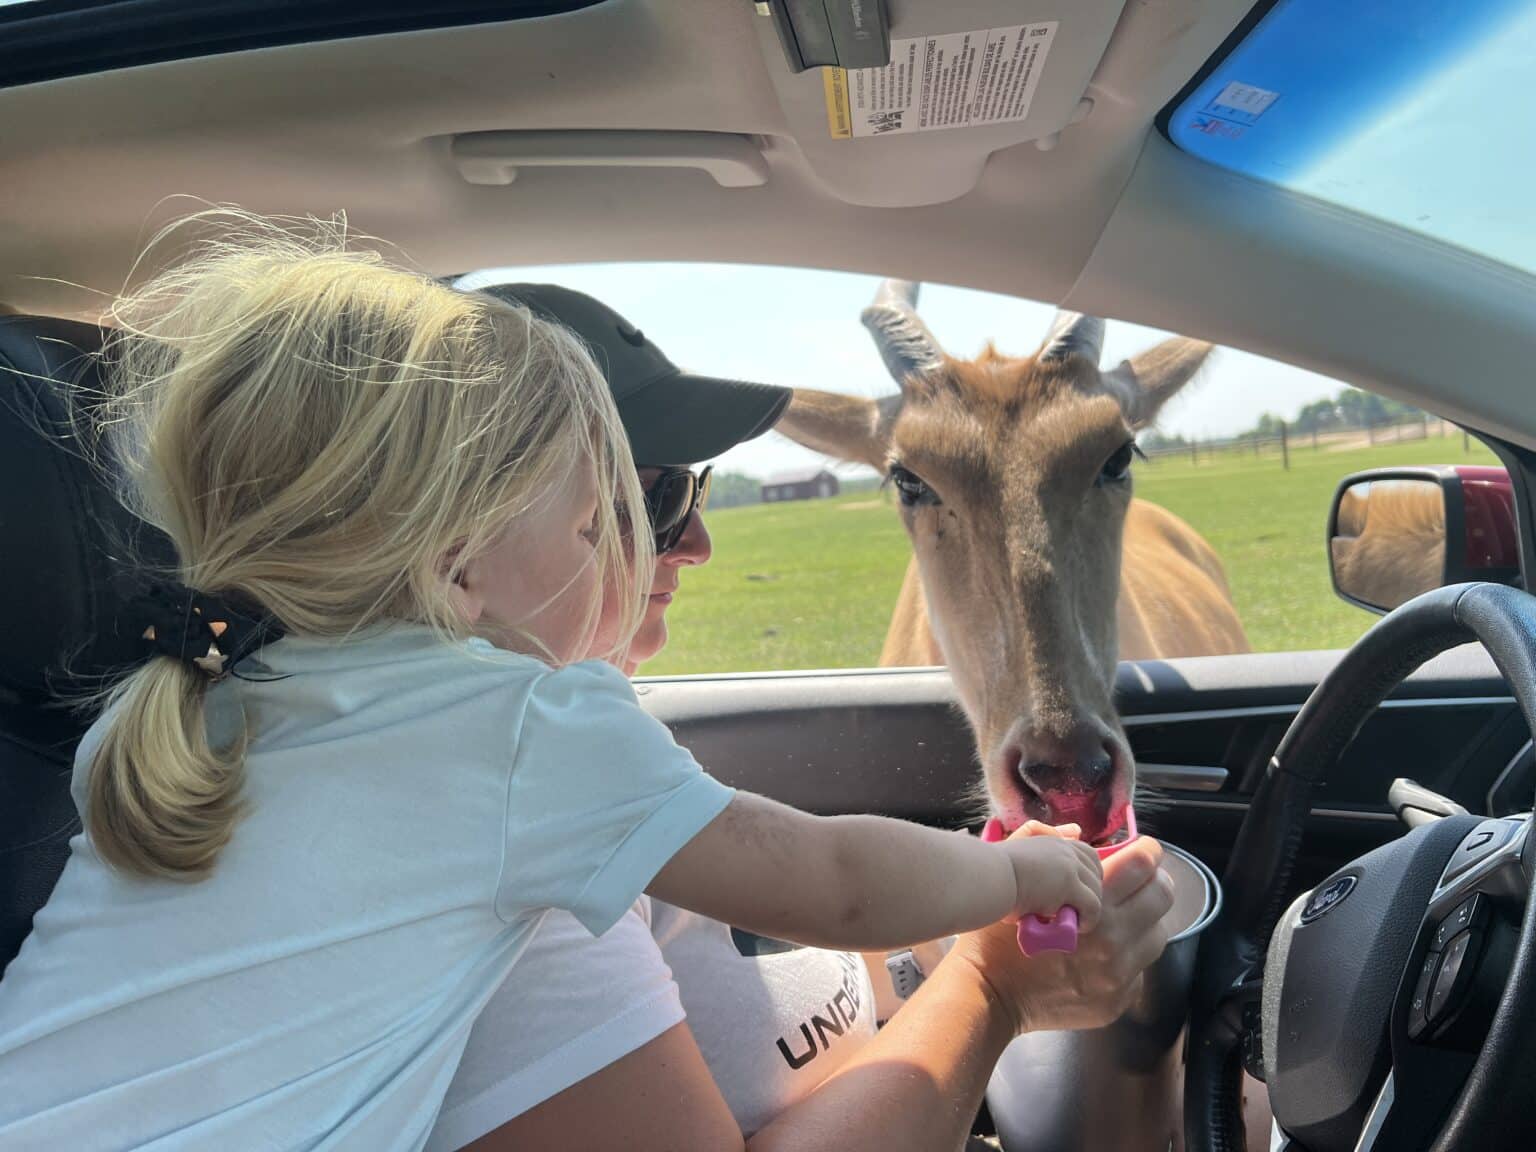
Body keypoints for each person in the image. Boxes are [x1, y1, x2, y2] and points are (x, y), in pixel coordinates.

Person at [0, 218, 1113, 1151]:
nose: (654, 549)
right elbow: (831, 882)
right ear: (456, 564)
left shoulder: (185, 713)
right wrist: (1025, 882)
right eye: (603, 518)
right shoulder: (517, 727)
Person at [426, 284, 1179, 1152]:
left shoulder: (602, 732)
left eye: (694, 490)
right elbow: (834, 880)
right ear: (457, 542)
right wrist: (991, 991)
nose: (700, 542)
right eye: (649, 500)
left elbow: (793, 945)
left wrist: (950, 952)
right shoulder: (505, 799)